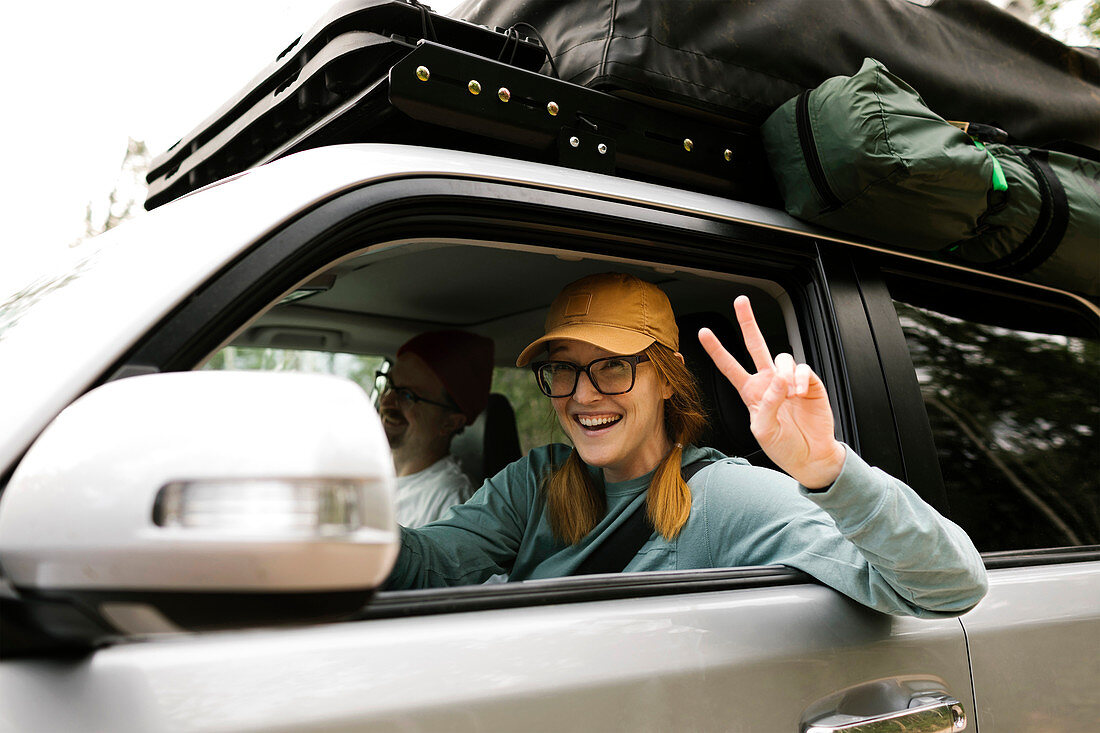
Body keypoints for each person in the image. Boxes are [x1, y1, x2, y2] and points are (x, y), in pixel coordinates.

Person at [385, 273, 987, 617]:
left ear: (665, 381)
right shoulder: (535, 479)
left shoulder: (725, 496)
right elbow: (429, 563)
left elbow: (949, 586)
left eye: (614, 368)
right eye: (563, 370)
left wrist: (830, 470)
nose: (582, 396)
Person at [378, 330, 494, 527]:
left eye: (407, 395)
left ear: (450, 422)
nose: (386, 401)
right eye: (389, 384)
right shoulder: (371, 471)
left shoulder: (453, 500)